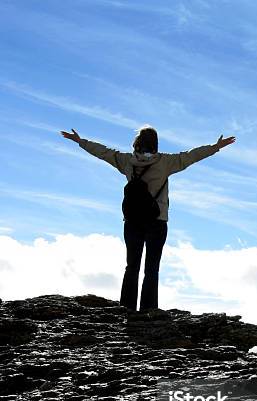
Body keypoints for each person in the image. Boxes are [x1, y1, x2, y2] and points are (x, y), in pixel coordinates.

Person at [60, 125, 236, 311]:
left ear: (136, 143)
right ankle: (148, 310)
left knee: (131, 266)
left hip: (132, 220)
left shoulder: (127, 161)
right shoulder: (166, 162)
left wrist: (80, 142)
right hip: (157, 220)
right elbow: (191, 156)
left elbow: (103, 152)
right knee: (152, 268)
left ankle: (126, 309)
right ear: (156, 144)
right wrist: (215, 147)